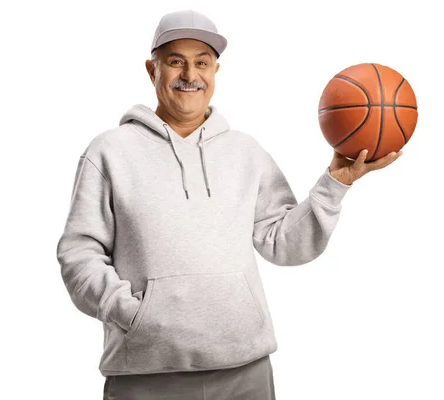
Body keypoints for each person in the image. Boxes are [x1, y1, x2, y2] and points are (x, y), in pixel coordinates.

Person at [56, 9, 402, 400]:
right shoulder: (110, 152)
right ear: (152, 71)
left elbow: (284, 244)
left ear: (215, 71)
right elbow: (79, 252)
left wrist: (335, 183)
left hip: (246, 373)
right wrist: (130, 314)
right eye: (175, 62)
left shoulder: (245, 152)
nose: (190, 75)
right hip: (146, 374)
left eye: (202, 63)